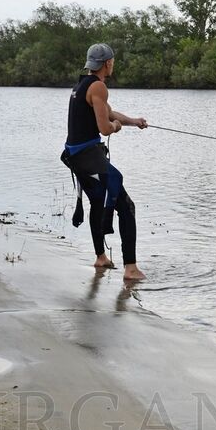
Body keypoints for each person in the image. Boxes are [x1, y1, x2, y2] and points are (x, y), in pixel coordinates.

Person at [61, 43, 148, 279]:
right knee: (126, 206)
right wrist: (117, 128)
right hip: (88, 158)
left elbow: (108, 112)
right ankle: (131, 269)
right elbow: (106, 126)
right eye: (113, 61)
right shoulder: (99, 86)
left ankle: (101, 257)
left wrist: (133, 121)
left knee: (98, 202)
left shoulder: (82, 85)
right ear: (107, 63)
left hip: (77, 157)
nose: (113, 65)